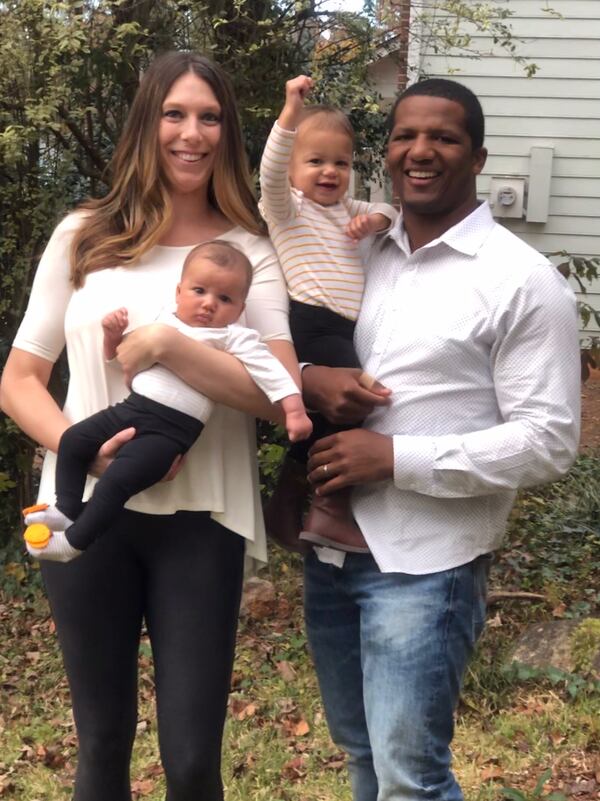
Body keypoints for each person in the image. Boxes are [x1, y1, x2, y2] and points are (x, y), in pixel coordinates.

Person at [0, 51, 303, 801]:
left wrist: (168, 346)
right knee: (102, 741)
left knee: (193, 757)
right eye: (175, 113)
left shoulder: (248, 252)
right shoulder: (83, 235)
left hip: (200, 520)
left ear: (227, 132)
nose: (191, 133)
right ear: (147, 124)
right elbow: (19, 380)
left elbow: (276, 393)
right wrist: (90, 449)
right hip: (82, 513)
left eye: (209, 116)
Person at [298, 78, 581, 800]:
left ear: (478, 157)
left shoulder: (522, 281)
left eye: (444, 138)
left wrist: (395, 457)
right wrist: (307, 377)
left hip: (427, 566)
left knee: (409, 777)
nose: (420, 151)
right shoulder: (357, 249)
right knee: (362, 755)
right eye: (404, 136)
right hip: (331, 548)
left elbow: (549, 440)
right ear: (386, 151)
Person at [23, 240, 311, 563]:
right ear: (178, 292)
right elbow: (121, 362)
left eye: (225, 298)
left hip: (171, 432)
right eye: (199, 290)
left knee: (117, 480)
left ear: (240, 310)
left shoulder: (234, 338)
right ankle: (66, 509)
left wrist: (295, 409)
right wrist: (112, 338)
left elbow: (273, 371)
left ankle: (74, 542)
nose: (209, 304)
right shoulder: (164, 321)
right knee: (73, 439)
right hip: (132, 408)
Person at [259, 74, 396, 554]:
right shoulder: (287, 208)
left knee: (325, 419)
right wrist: (290, 113)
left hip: (342, 326)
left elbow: (390, 211)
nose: (329, 172)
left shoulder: (345, 209)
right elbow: (271, 170)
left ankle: (283, 504)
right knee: (357, 402)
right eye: (314, 161)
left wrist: (375, 220)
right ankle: (330, 509)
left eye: (340, 162)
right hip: (311, 320)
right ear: (294, 168)